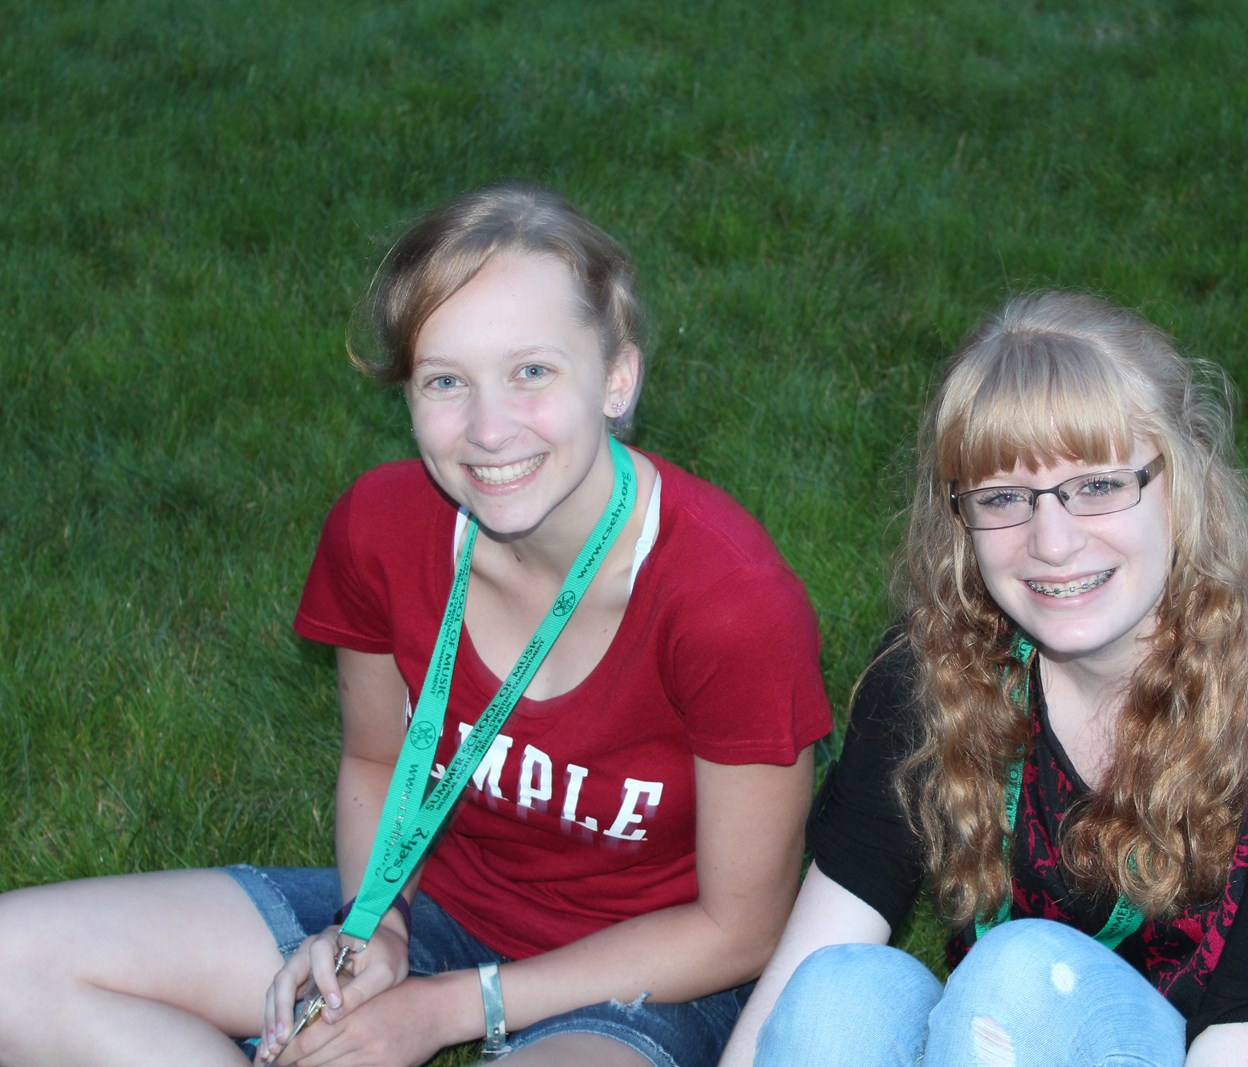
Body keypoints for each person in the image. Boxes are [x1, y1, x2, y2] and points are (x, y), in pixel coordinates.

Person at [0, 181, 834, 1067]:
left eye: (532, 371)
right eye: (445, 381)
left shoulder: (730, 602)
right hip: (441, 907)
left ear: (617, 377)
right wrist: (374, 926)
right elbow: (375, 759)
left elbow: (740, 930)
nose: (488, 429)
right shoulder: (383, 529)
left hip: (643, 975)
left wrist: (446, 1010)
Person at [720, 292, 1248, 1067]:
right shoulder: (936, 665)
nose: (1052, 541)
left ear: (1184, 479)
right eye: (1003, 498)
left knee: (1021, 977)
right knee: (838, 990)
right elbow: (815, 949)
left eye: (1100, 485)